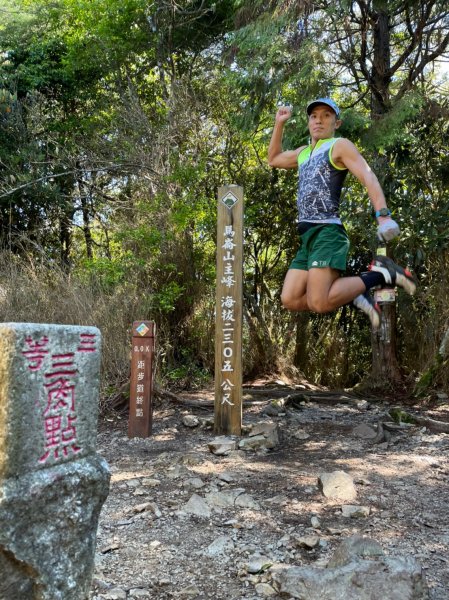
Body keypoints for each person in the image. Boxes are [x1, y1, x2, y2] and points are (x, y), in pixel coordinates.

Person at [267, 97, 416, 329]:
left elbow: (367, 175)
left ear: (337, 123)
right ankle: (353, 292)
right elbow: (274, 159)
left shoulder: (339, 145)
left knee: (319, 302)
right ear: (308, 121)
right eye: (314, 116)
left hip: (328, 232)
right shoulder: (303, 153)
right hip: (307, 236)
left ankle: (383, 274)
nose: (319, 121)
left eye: (326, 116)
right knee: (290, 298)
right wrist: (279, 123)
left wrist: (383, 215)